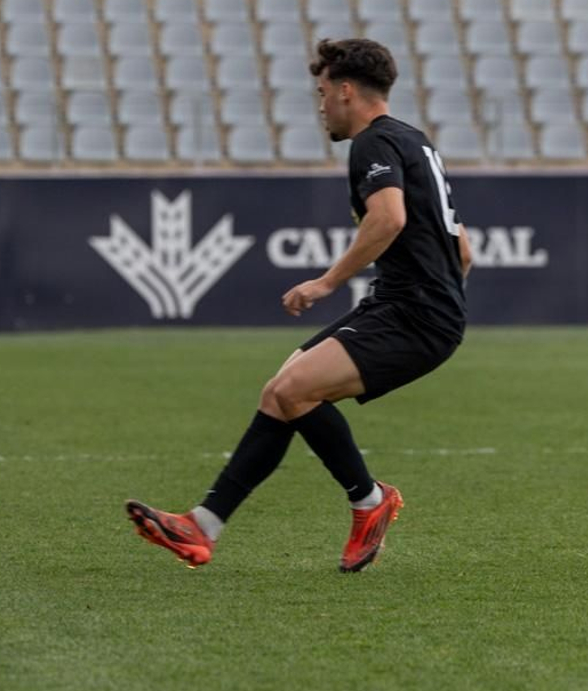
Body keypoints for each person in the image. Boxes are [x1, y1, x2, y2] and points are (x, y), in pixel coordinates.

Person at [124, 39, 473, 573]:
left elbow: (390, 218)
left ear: (347, 91)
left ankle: (370, 502)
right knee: (281, 392)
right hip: (415, 307)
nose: (320, 105)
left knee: (294, 389)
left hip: (414, 313)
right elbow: (463, 248)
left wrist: (328, 282)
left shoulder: (372, 144)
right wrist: (438, 293)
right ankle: (203, 525)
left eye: (322, 91)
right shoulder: (415, 141)